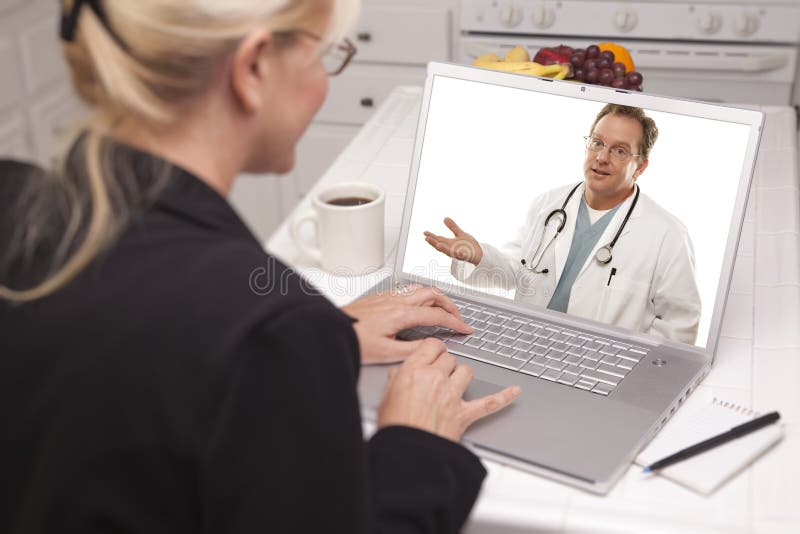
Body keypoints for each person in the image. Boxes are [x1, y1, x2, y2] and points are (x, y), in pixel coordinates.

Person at [0, 1, 520, 533]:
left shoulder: (12, 202)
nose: (323, 83)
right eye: (323, 56)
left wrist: (318, 338)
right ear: (252, 68)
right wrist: (418, 445)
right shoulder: (269, 330)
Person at [424, 104, 702, 344]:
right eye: (597, 143)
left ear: (640, 167)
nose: (602, 157)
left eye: (619, 151)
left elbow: (679, 325)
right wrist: (479, 256)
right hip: (525, 343)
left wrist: (631, 369)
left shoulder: (667, 234)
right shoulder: (548, 204)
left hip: (601, 365)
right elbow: (515, 271)